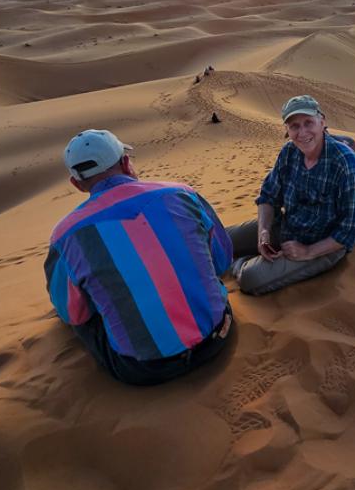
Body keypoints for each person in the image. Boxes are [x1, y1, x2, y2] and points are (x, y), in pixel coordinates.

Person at [45, 129, 234, 385]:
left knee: (75, 311)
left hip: (142, 369)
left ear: (77, 184)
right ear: (125, 163)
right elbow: (222, 261)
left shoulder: (65, 235)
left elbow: (74, 315)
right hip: (219, 336)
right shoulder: (181, 193)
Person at [227, 95, 355, 296]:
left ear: (322, 122)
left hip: (322, 245)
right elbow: (268, 195)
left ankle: (239, 264)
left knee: (251, 279)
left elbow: (353, 228)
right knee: (220, 237)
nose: (302, 133)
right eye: (294, 126)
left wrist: (308, 252)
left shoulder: (345, 162)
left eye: (308, 123)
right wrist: (264, 232)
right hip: (287, 226)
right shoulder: (289, 152)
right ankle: (240, 256)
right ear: (287, 130)